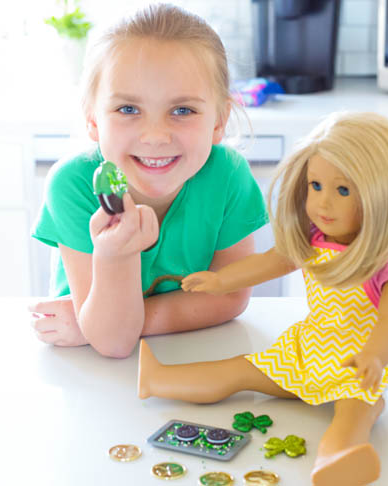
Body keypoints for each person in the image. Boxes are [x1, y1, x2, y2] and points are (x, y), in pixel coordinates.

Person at [137, 112, 388, 486]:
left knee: (354, 410)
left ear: (382, 195)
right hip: (308, 350)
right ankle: (158, 379)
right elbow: (269, 262)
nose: (323, 203)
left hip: (356, 366)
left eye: (343, 191)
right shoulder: (313, 238)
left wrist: (375, 356)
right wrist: (221, 279)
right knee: (241, 370)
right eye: (316, 185)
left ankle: (336, 461)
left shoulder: (387, 259)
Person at [29, 4, 268, 358]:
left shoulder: (228, 175)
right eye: (128, 110)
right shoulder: (73, 185)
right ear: (93, 120)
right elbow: (112, 343)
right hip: (87, 373)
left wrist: (101, 322)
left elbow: (231, 295)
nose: (155, 136)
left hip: (192, 357)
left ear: (218, 121)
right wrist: (112, 256)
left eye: (182, 110)